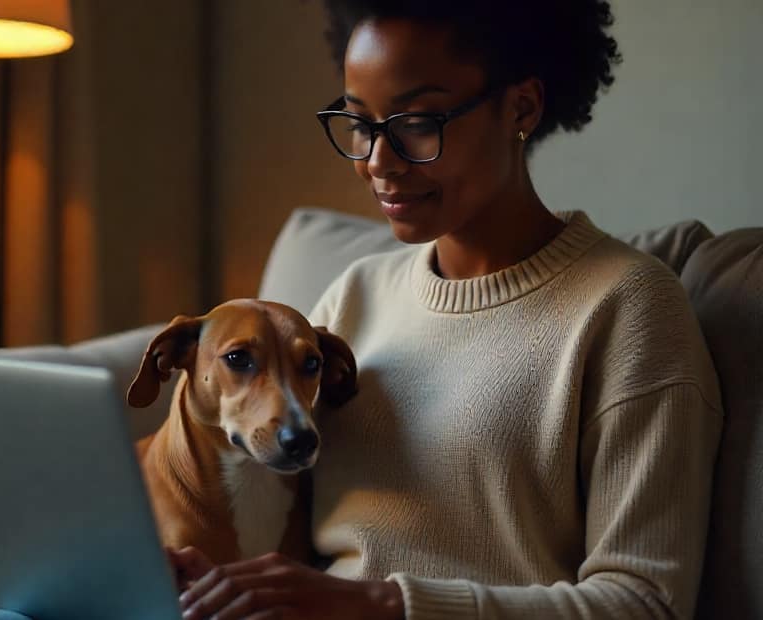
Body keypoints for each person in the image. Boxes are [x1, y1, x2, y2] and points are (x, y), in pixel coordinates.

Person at [173, 1, 723, 618]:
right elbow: (276, 513)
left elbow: (644, 603)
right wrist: (209, 574)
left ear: (521, 108)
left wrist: (381, 604)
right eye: (360, 123)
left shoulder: (627, 307)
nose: (377, 161)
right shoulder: (354, 297)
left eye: (416, 122)